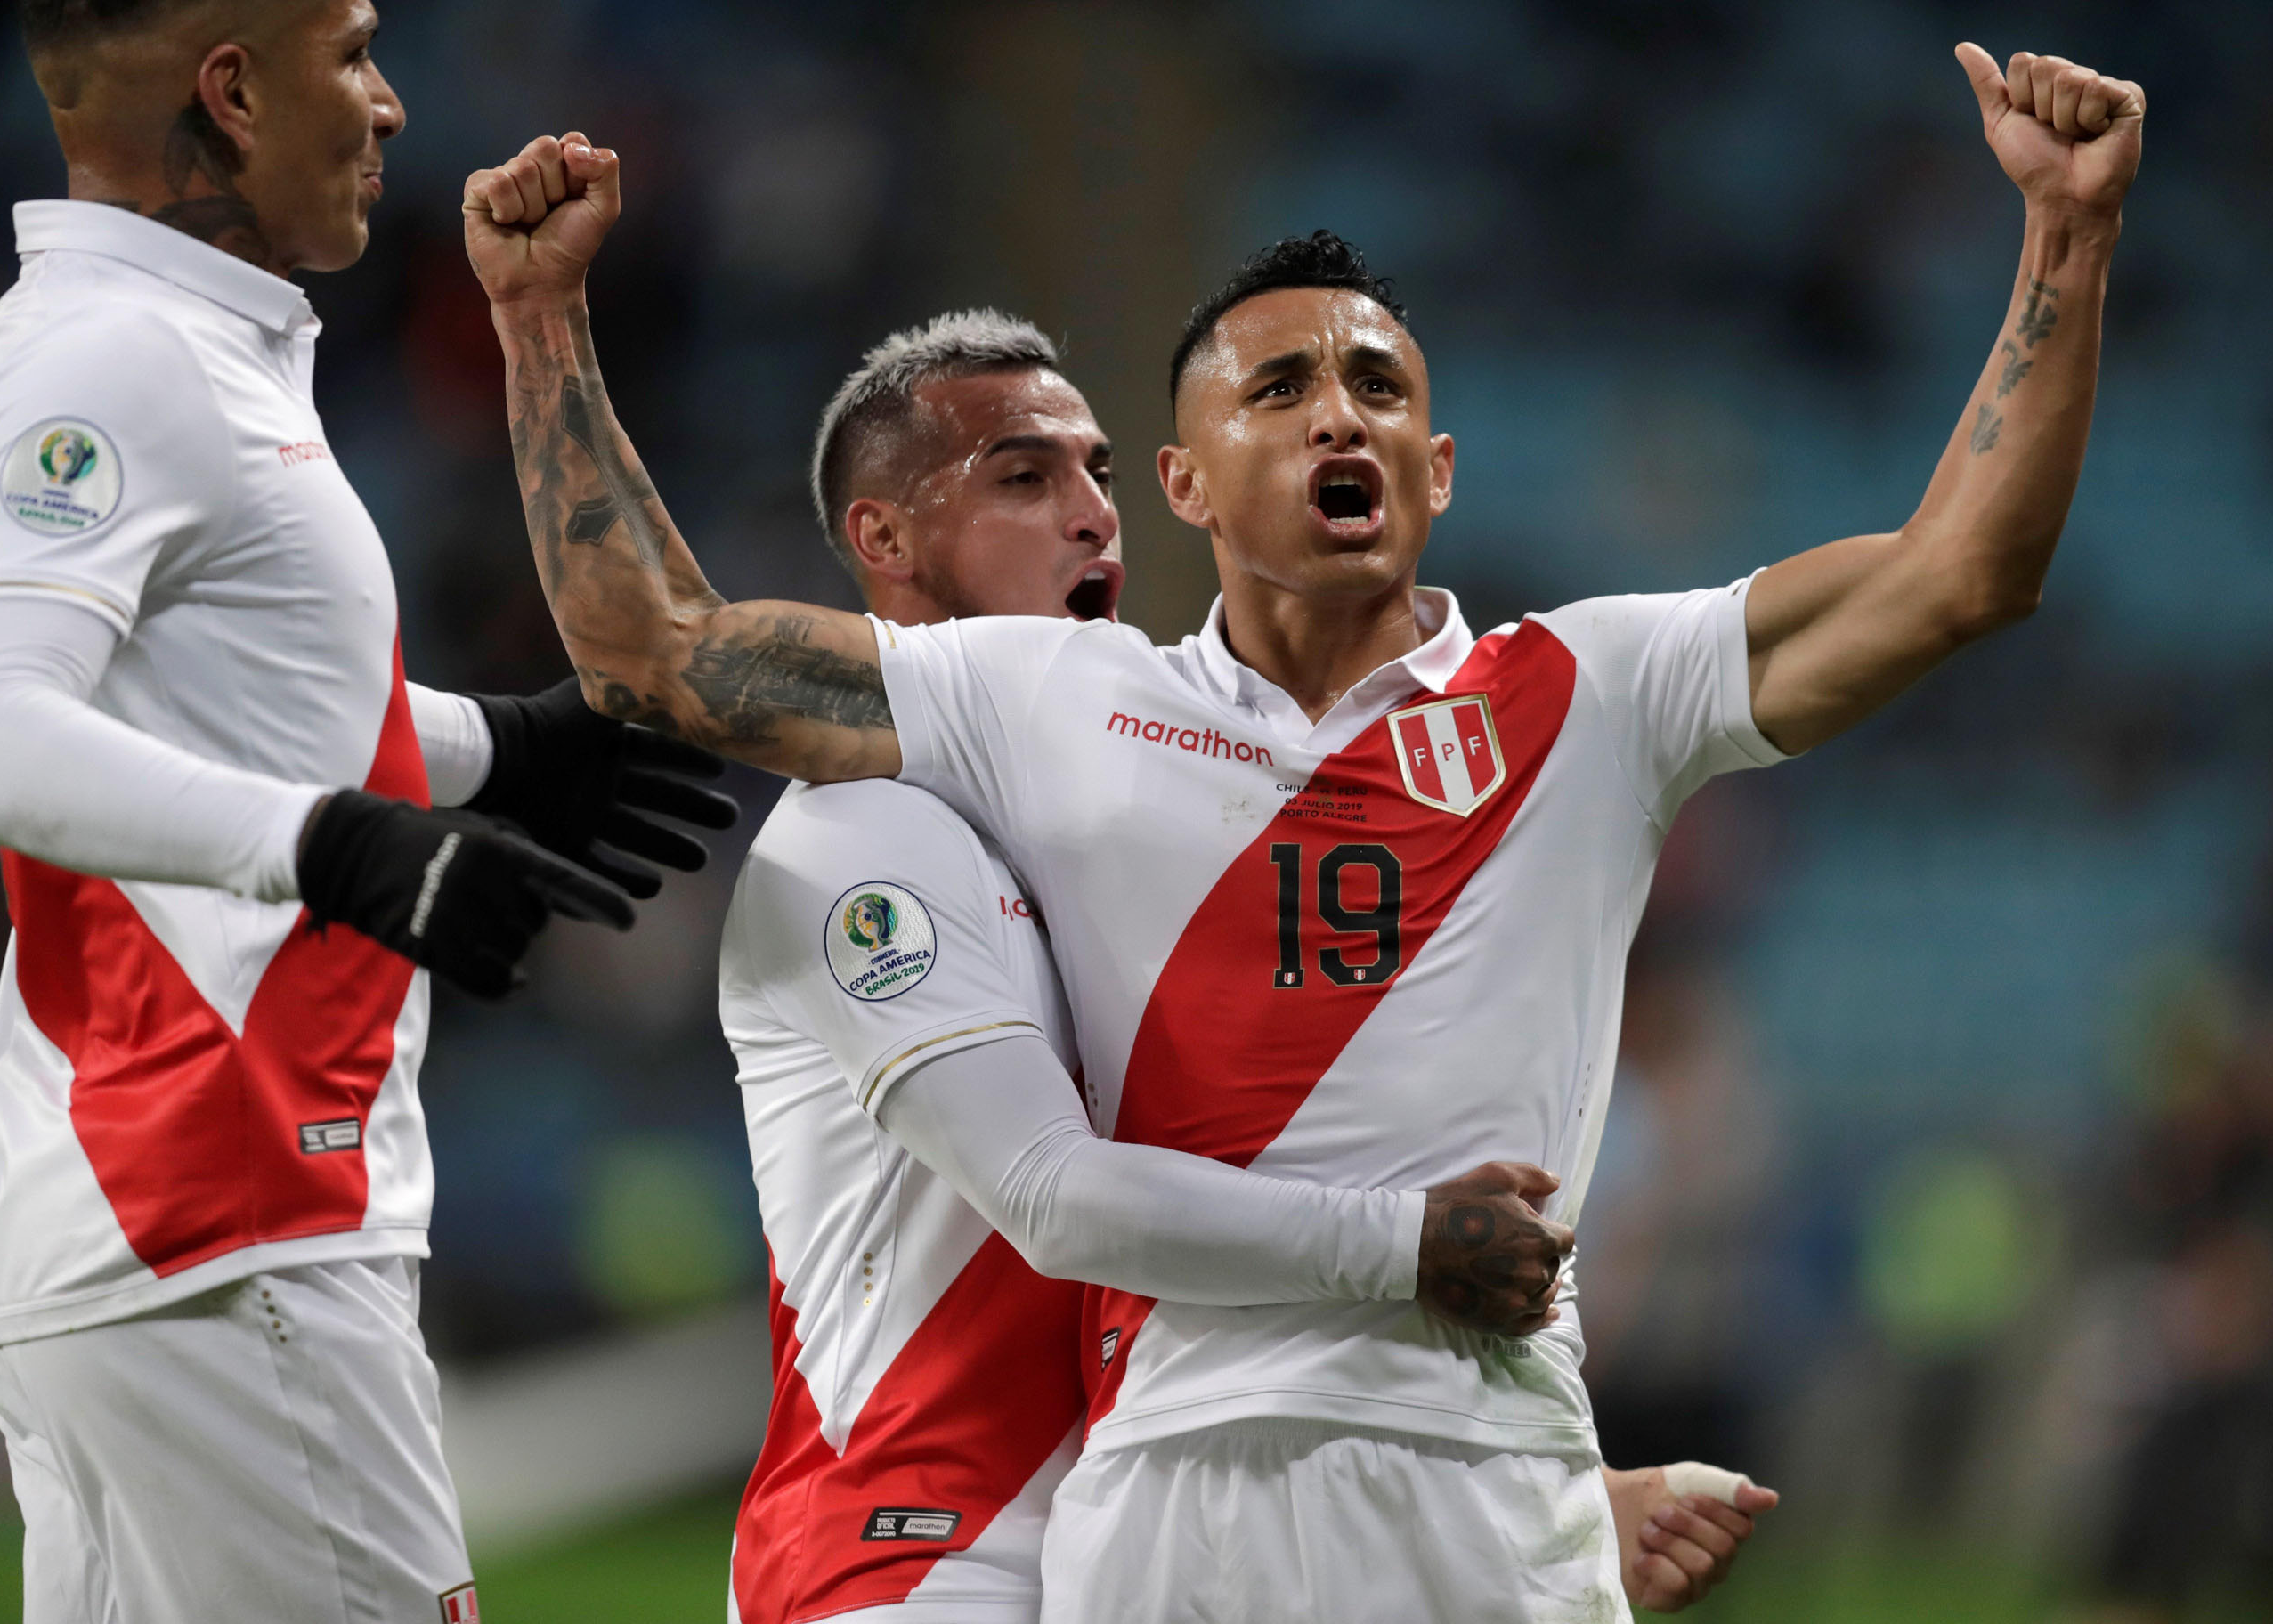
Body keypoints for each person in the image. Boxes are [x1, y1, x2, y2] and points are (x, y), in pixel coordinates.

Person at [466, 40, 2140, 1622]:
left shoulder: (1596, 688)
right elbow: (658, 648)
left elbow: (1958, 573)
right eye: (1279, 387)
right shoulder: (1051, 702)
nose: (1341, 412)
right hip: (1171, 1506)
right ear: (1189, 485)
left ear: (1442, 466)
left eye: (1380, 384)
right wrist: (542, 317)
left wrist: (2065, 236)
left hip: (1494, 1485)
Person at [713, 308, 1773, 1621]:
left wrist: (1548, 1490)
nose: (1093, 515)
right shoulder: (865, 837)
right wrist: (1408, 1246)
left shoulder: (1106, 838)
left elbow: (1267, 1157)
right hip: (901, 1558)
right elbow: (1061, 1194)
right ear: (885, 543)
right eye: (1026, 479)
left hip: (1087, 1544)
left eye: (1098, 473)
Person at [0, 4, 733, 1620]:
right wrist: (331, 845)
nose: (392, 105)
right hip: (228, 1205)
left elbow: (224, 698)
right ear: (234, 90)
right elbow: (3, 728)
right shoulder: (109, 356)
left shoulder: (174, 345)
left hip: (168, 1239)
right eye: (353, 53)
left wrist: (489, 751)